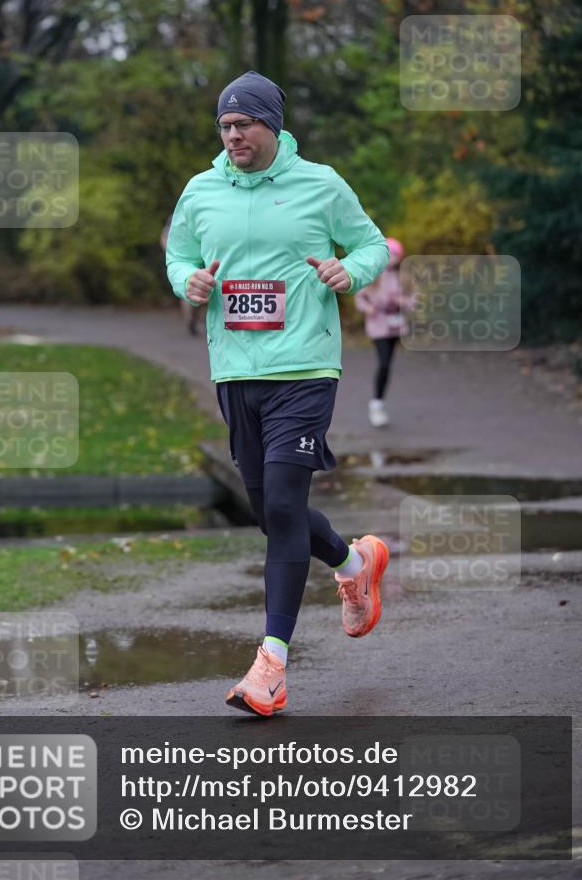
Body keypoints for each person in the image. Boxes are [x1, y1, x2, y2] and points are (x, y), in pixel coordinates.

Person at [166, 70, 390, 717]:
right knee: (271, 513)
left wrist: (349, 269)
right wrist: (189, 282)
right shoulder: (201, 190)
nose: (232, 135)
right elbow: (178, 254)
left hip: (304, 367)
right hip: (235, 371)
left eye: (244, 125)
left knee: (286, 505)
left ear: (272, 126)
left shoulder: (320, 185)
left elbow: (370, 243)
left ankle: (271, 666)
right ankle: (353, 562)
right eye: (225, 127)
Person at [354, 237, 412, 427]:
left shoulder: (402, 276)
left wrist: (405, 302)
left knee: (389, 363)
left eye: (395, 255)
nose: (392, 259)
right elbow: (359, 298)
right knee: (384, 363)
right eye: (389, 255)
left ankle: (379, 402)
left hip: (395, 324)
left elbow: (413, 298)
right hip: (378, 324)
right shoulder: (372, 275)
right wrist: (368, 308)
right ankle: (377, 404)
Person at [160, 216, 202, 335]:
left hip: (197, 257)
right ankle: (190, 319)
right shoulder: (175, 217)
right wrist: (173, 255)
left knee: (197, 288)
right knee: (187, 288)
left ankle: (192, 318)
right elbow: (164, 237)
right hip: (182, 259)